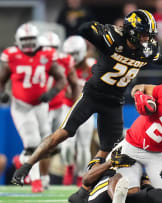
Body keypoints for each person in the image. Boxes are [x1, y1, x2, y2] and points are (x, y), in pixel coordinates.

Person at [12, 9, 162, 187]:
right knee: (64, 132)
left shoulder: (145, 49)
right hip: (93, 94)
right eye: (143, 33)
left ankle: (86, 186)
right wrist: (97, 28)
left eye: (149, 34)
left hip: (114, 101)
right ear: (131, 31)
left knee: (109, 151)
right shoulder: (112, 39)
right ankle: (27, 165)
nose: (147, 38)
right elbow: (83, 29)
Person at [0, 23, 66, 193]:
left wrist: (51, 93)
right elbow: (1, 79)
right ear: (17, 41)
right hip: (21, 106)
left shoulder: (46, 54)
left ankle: (21, 160)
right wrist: (2, 94)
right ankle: (36, 182)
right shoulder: (12, 56)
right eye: (25, 40)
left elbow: (61, 79)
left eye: (31, 40)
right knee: (32, 144)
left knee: (46, 145)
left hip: (41, 106)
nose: (28, 44)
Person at [69, 146, 162, 203]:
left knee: (153, 190)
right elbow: (86, 180)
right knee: (119, 177)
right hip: (102, 196)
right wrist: (110, 163)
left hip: (131, 196)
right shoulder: (105, 158)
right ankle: (118, 199)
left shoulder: (144, 160)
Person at [38, 31, 81, 189]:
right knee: (41, 144)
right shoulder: (33, 60)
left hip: (60, 106)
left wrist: (75, 102)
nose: (50, 50)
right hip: (40, 108)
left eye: (53, 47)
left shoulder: (64, 60)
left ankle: (38, 174)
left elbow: (73, 83)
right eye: (46, 47)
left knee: (60, 144)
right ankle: (41, 178)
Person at [60, 35, 96, 186]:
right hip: (68, 108)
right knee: (66, 147)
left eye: (75, 53)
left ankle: (81, 175)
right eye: (70, 54)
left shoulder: (92, 65)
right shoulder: (62, 65)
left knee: (83, 147)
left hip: (86, 110)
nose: (72, 57)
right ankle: (69, 167)